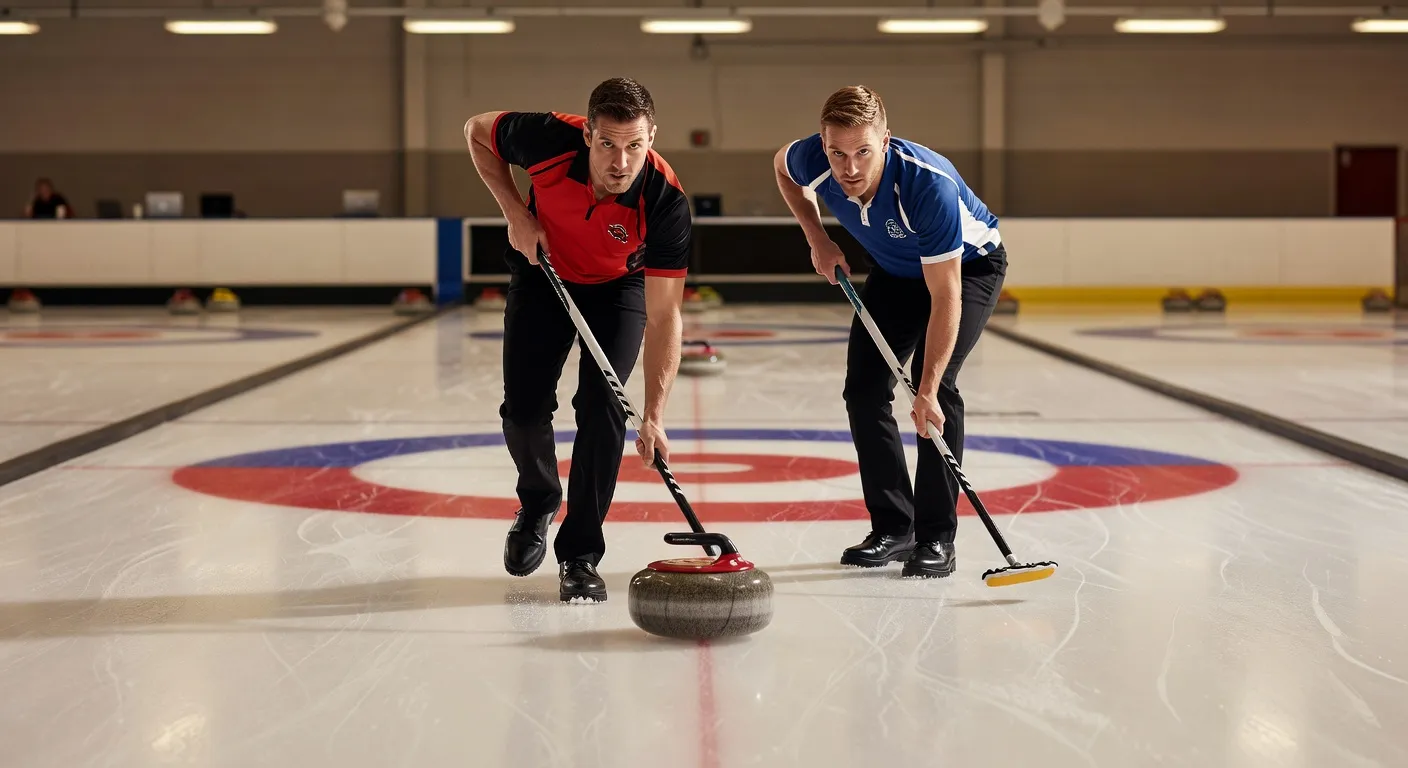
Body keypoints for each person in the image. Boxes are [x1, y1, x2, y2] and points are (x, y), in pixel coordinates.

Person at [463, 78, 691, 602]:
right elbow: (476, 131)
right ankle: (539, 500)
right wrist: (515, 214)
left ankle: (581, 553)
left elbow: (664, 316)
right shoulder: (547, 139)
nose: (621, 162)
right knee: (523, 408)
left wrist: (654, 413)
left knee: (604, 407)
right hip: (542, 272)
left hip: (618, 290)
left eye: (635, 145)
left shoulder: (664, 200)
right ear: (587, 134)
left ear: (652, 136)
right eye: (608, 143)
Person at [773, 85, 1007, 579]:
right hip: (895, 273)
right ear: (823, 142)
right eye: (837, 152)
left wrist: (924, 392)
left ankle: (937, 538)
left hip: (967, 269)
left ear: (885, 141)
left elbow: (945, 296)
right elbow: (782, 168)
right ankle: (894, 528)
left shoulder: (927, 187)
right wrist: (818, 237)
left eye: (862, 151)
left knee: (936, 388)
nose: (848, 168)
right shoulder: (811, 159)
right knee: (863, 391)